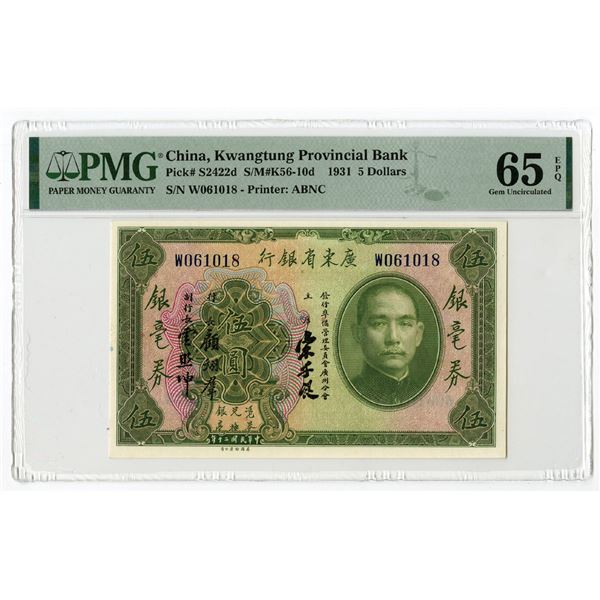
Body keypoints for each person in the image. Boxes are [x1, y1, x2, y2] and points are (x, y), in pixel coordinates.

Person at [351, 279, 425, 407]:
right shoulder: (346, 394)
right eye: (379, 324)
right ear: (358, 333)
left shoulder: (425, 394)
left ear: (418, 335)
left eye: (405, 324)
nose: (393, 338)